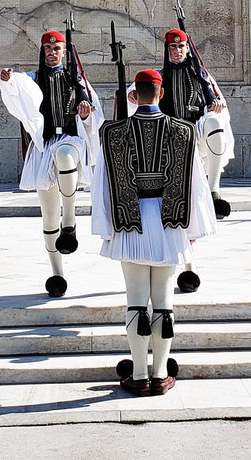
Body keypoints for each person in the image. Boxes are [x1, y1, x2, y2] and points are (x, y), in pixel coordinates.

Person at [92, 69, 216, 396]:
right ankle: (160, 375)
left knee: (136, 303)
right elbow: (196, 186)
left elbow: (102, 185)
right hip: (168, 222)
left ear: (135, 95)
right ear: (161, 94)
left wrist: (106, 228)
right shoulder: (184, 132)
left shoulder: (113, 133)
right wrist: (192, 230)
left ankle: (137, 374)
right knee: (163, 304)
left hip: (129, 222)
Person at [0, 30, 104, 297]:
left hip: (70, 139)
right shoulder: (34, 79)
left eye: (56, 49)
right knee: (47, 216)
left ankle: (70, 219)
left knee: (66, 156)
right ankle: (57, 274)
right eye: (48, 49)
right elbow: (16, 89)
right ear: (43, 51)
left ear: (64, 52)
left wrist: (86, 112)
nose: (52, 53)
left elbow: (95, 114)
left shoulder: (78, 80)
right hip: (45, 146)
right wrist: (6, 79)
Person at [158, 29, 235, 220]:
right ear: (167, 50)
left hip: (196, 130)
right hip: (170, 133)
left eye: (181, 46)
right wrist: (133, 97)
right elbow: (135, 95)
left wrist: (217, 104)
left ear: (187, 48)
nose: (177, 51)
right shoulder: (158, 76)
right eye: (173, 47)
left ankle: (214, 190)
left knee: (215, 121)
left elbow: (218, 101)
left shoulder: (201, 75)